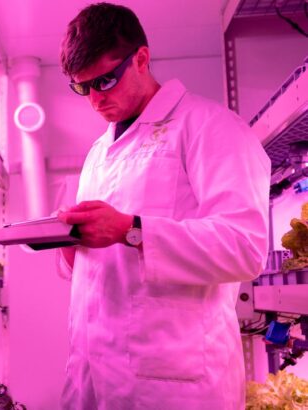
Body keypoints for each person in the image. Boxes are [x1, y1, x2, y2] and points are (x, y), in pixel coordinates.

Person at [55, 3, 270, 409]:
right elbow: (108, 272)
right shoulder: (98, 153)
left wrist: (131, 229)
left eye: (105, 81)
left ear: (141, 59)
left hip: (173, 385)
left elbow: (246, 247)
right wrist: (71, 246)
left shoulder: (210, 127)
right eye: (83, 87)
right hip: (93, 379)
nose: (95, 100)